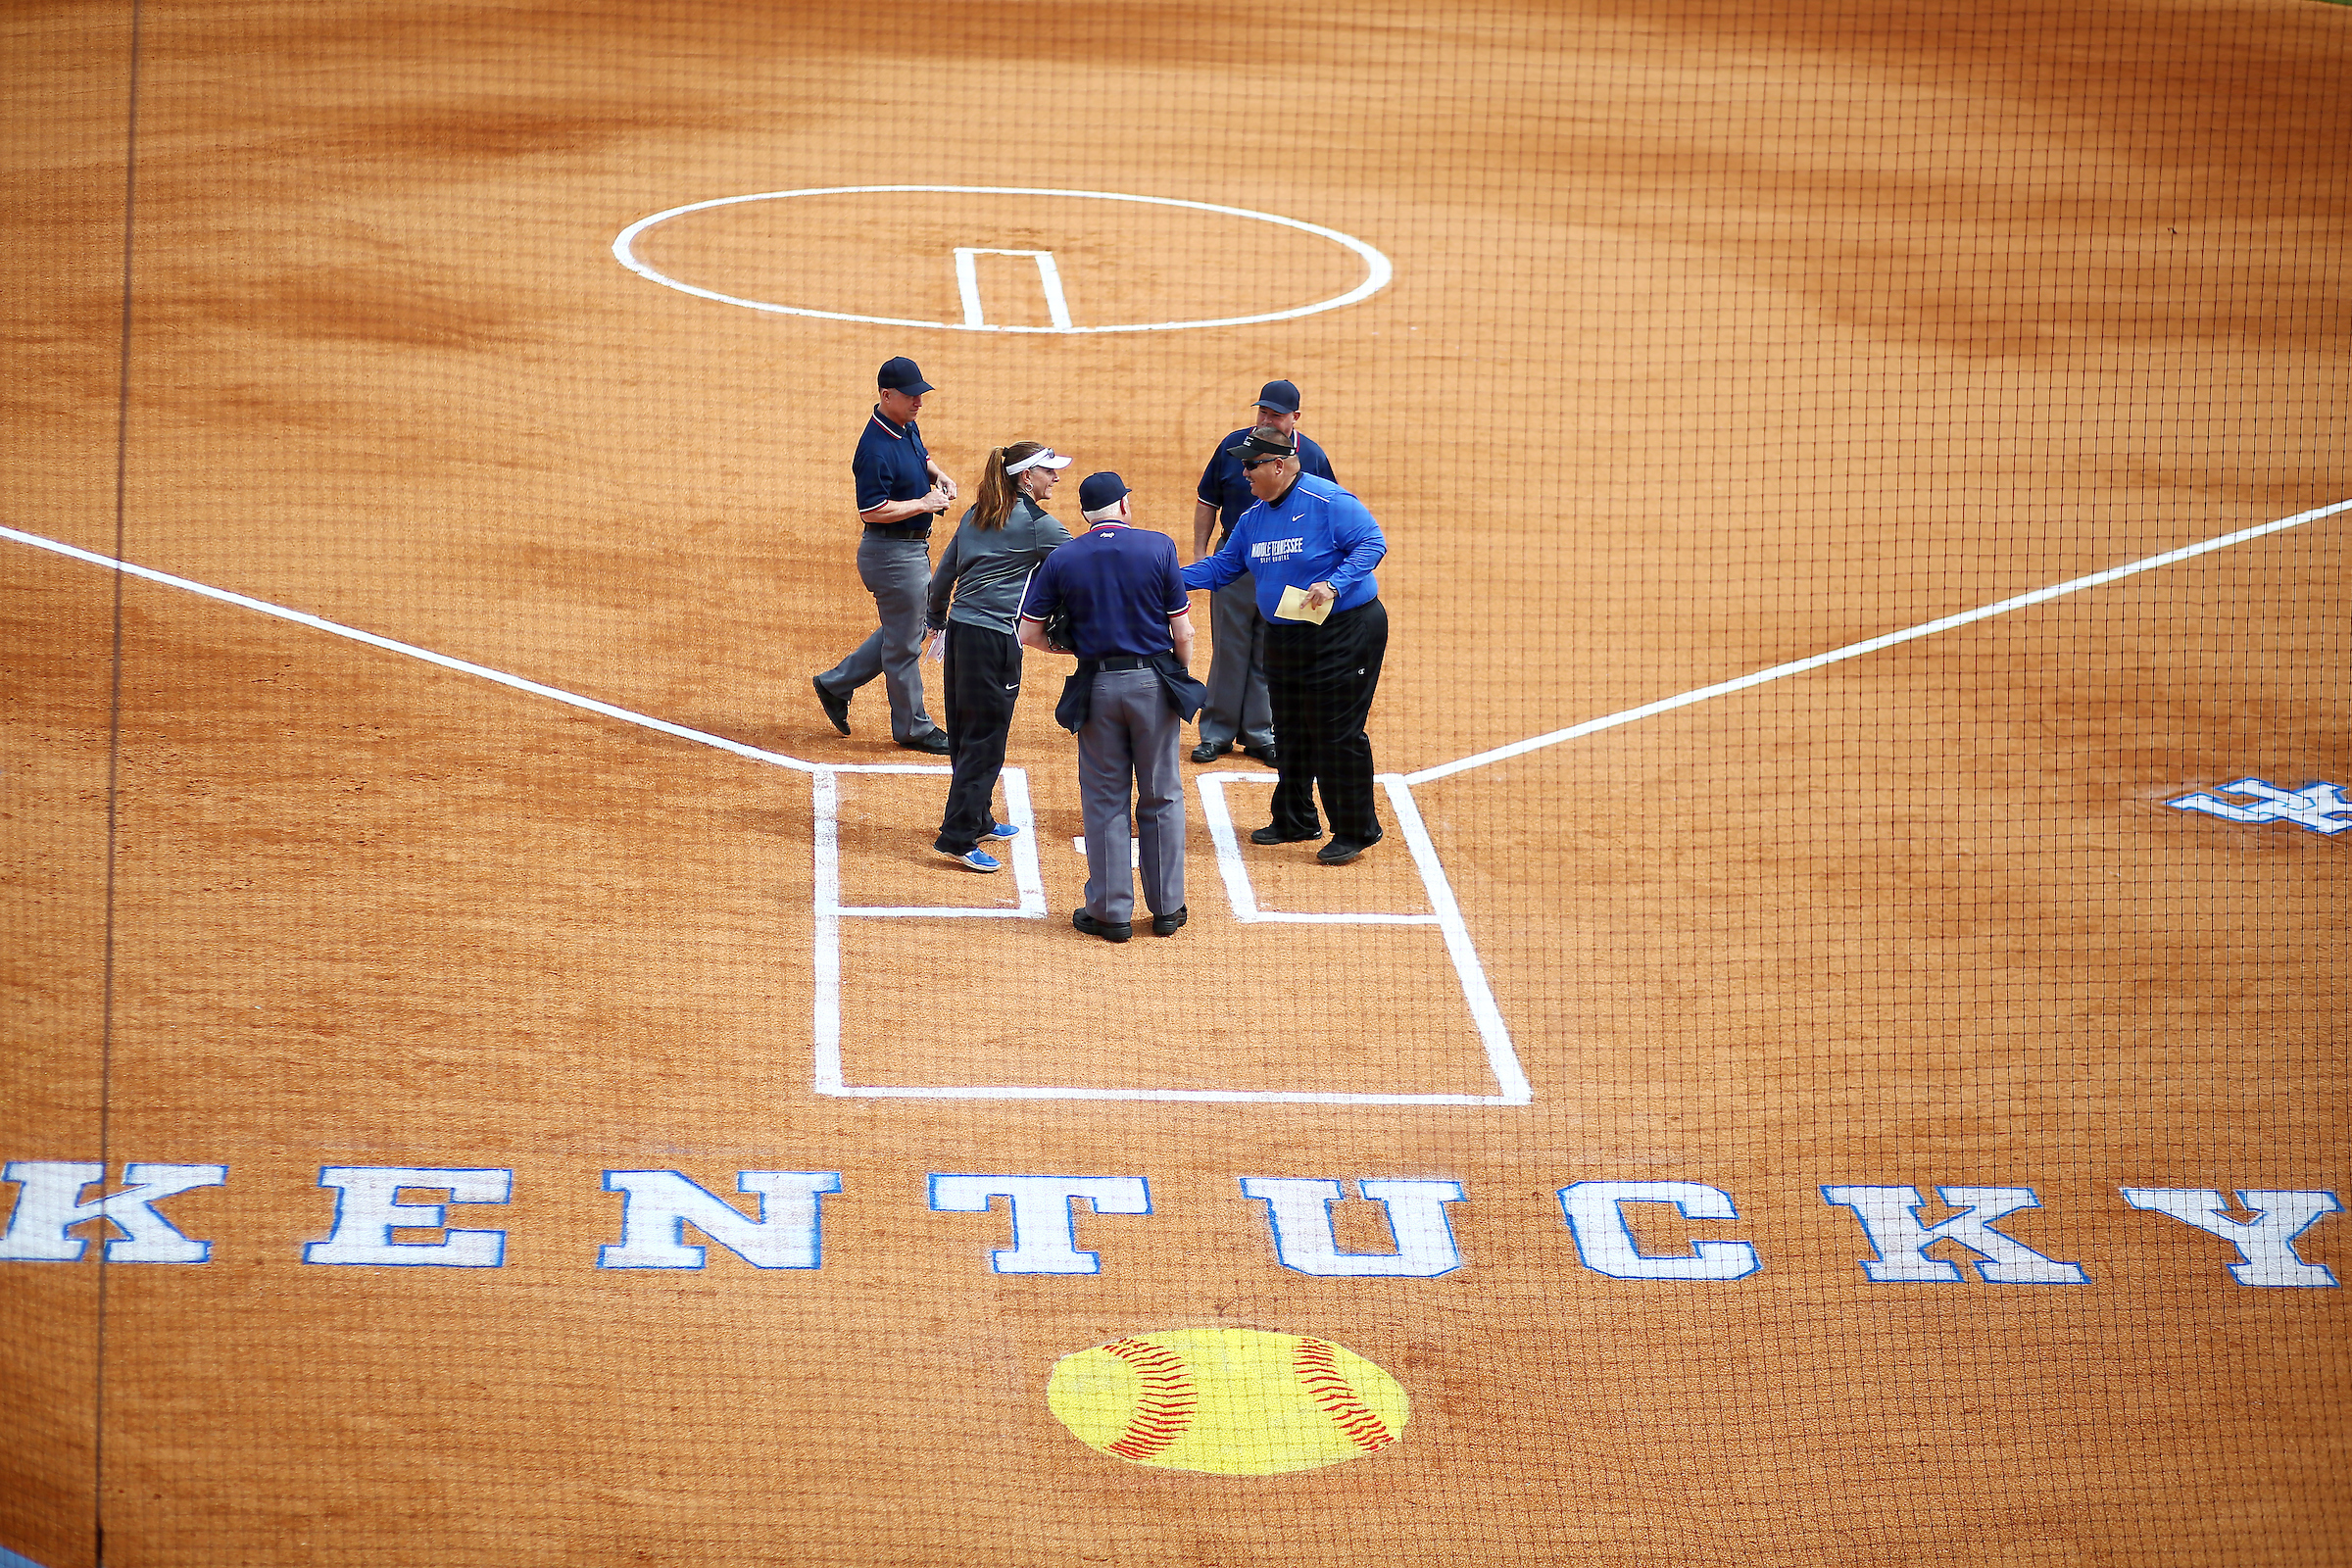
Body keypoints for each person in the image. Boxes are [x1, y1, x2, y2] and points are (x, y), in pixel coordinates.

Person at [1181, 427, 1388, 865]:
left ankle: (1355, 829)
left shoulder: (1329, 503)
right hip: (1288, 633)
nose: (1243, 472)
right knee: (1291, 729)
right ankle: (1295, 818)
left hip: (1344, 630)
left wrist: (1334, 584)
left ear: (1279, 465)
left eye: (1251, 464)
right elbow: (1222, 568)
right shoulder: (1253, 518)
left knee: (1336, 730)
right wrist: (1162, 578)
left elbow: (1372, 544)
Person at [1018, 472, 1201, 943]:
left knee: (1104, 800)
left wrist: (1079, 654)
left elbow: (1030, 633)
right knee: (1162, 793)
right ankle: (1167, 909)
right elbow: (1183, 632)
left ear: (1085, 515)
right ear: (1122, 505)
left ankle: (1111, 913)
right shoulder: (1158, 547)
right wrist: (1175, 673)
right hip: (1153, 687)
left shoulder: (1063, 557)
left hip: (1097, 688)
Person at [922, 441, 1074, 872]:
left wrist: (936, 619)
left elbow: (944, 576)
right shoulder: (1036, 524)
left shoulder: (977, 513)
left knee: (966, 730)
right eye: (1049, 471)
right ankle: (957, 835)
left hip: (959, 636)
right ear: (1027, 477)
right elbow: (1086, 563)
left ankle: (979, 816)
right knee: (986, 741)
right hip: (994, 642)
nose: (1056, 478)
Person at [811, 356, 956, 754]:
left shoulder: (904, 425)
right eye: (911, 396)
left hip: (909, 550)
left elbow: (921, 456)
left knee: (901, 631)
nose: (919, 403)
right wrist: (923, 503)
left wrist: (938, 475)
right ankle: (913, 728)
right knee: (906, 644)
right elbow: (871, 510)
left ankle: (836, 683)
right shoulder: (873, 449)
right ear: (886, 395)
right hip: (891, 555)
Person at [1189, 379, 1336, 766]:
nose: (1266, 418)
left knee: (1271, 648)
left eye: (1276, 413)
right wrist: (1201, 554)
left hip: (1290, 565)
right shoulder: (1234, 446)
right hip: (1235, 560)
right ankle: (1216, 732)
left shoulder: (1314, 457)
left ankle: (1259, 733)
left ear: (1295, 418)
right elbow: (1208, 501)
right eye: (1263, 411)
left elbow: (1330, 516)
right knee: (1229, 646)